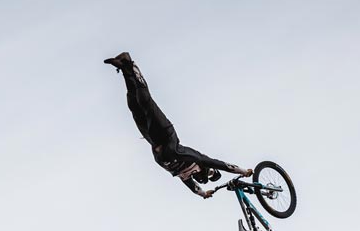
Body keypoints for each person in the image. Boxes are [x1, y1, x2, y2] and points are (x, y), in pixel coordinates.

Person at [104, 51, 255, 198]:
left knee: (134, 107)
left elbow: (193, 187)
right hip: (165, 134)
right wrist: (243, 171)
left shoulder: (185, 176)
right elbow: (223, 165)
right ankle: (130, 62)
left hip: (152, 140)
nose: (203, 175)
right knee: (146, 103)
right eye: (210, 172)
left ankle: (124, 69)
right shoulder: (199, 159)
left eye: (207, 176)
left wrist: (203, 193)